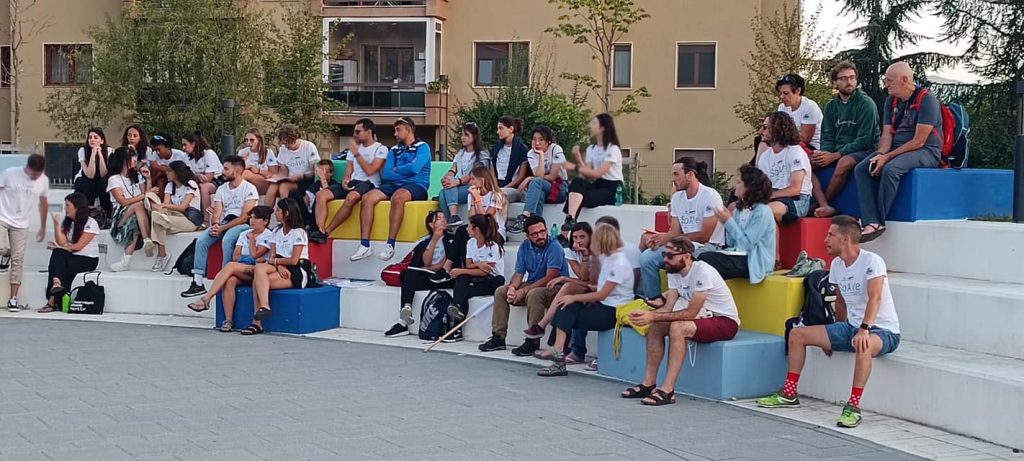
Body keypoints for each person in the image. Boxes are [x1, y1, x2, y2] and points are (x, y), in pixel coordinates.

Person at [756, 215, 901, 428]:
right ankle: (789, 393)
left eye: (830, 235)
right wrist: (835, 333)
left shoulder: (872, 261)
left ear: (845, 239)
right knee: (796, 334)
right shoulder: (836, 265)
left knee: (864, 345)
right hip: (852, 327)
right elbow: (840, 302)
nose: (825, 240)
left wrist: (864, 329)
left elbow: (875, 298)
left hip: (883, 331)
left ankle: (853, 406)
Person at [622, 236, 740, 405]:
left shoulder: (702, 271)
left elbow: (690, 313)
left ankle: (668, 390)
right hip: (703, 317)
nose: (665, 260)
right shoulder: (674, 271)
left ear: (686, 256)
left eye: (670, 256)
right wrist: (645, 315)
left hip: (724, 322)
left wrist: (653, 316)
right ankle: (648, 383)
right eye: (664, 255)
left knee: (678, 327)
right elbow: (668, 308)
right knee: (656, 325)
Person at [854, 62, 944, 242]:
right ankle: (870, 220)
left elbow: (919, 141)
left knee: (891, 169)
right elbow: (887, 134)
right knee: (862, 168)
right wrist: (881, 155)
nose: (886, 84)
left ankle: (878, 221)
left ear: (904, 80)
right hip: (896, 148)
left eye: (889, 80)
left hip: (925, 150)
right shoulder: (891, 100)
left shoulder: (927, 101)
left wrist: (887, 158)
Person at [537, 222, 635, 377]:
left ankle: (558, 355)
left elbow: (602, 294)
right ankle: (558, 352)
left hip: (614, 311)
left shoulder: (618, 263)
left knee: (567, 308)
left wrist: (574, 297)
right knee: (564, 307)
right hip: (603, 304)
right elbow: (593, 286)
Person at [479, 214, 568, 356]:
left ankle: (532, 341)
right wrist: (513, 288)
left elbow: (551, 276)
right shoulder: (524, 247)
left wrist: (524, 290)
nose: (540, 236)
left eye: (542, 231)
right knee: (501, 291)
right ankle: (498, 337)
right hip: (533, 284)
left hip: (555, 287)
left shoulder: (555, 246)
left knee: (534, 294)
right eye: (534, 234)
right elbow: (519, 273)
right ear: (527, 236)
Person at [638, 157, 726, 299]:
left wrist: (673, 240)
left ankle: (677, 301)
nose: (673, 179)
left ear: (690, 175)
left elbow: (704, 236)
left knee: (677, 258)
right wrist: (659, 239)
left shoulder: (710, 196)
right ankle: (653, 300)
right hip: (684, 244)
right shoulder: (677, 198)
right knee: (646, 258)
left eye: (676, 174)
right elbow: (674, 231)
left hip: (709, 246)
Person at [352, 117, 431, 262]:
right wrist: (404, 171)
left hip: (417, 185)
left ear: (408, 130)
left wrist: (397, 169)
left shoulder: (423, 147)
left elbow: (415, 168)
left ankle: (390, 244)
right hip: (394, 184)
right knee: (367, 198)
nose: (395, 134)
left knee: (398, 197)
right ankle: (365, 245)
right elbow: (387, 174)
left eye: (398, 130)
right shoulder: (394, 150)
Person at [180, 155, 259, 298]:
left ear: (237, 171)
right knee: (202, 240)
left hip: (243, 225)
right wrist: (216, 225)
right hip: (225, 223)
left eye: (226, 169)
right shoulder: (222, 189)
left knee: (228, 239)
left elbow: (244, 217)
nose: (223, 172)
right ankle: (197, 282)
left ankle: (224, 278)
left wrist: (223, 228)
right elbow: (217, 212)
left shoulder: (250, 189)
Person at [185, 205, 274, 332]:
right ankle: (228, 320)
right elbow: (236, 256)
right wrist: (249, 258)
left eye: (256, 218)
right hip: (244, 268)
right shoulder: (244, 234)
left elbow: (256, 255)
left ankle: (206, 299)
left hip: (259, 271)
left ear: (265, 221)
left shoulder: (269, 236)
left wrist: (252, 242)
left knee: (230, 266)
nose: (252, 220)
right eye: (251, 217)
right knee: (230, 280)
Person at [811, 61, 881, 218]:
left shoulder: (866, 104)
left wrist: (835, 156)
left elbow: (865, 139)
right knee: (806, 163)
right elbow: (827, 136)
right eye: (843, 78)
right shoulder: (831, 106)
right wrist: (825, 154)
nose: (849, 82)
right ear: (834, 83)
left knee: (844, 163)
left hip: (865, 150)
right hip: (838, 150)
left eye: (852, 77)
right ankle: (818, 204)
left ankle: (821, 205)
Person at [523, 221, 597, 364]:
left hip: (599, 289)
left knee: (568, 290)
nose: (578, 241)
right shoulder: (570, 252)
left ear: (590, 237)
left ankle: (542, 327)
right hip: (585, 287)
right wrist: (583, 255)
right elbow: (582, 278)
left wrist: (586, 256)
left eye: (582, 237)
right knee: (566, 301)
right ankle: (562, 348)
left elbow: (591, 283)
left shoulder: (598, 252)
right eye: (575, 237)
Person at [243, 198, 315, 336]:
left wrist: (277, 262)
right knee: (259, 270)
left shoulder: (299, 232)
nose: (275, 213)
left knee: (257, 282)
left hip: (298, 270)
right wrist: (279, 265)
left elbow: (293, 260)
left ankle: (256, 323)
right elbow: (272, 256)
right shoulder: (276, 232)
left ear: (286, 213)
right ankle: (264, 307)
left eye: (278, 210)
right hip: (280, 266)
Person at [383, 210, 459, 338]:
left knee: (412, 276)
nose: (443, 220)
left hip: (445, 277)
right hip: (429, 276)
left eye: (444, 218)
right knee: (409, 275)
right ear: (431, 224)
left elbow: (445, 264)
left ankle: (403, 320)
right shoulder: (425, 241)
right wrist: (434, 240)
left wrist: (430, 267)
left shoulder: (452, 239)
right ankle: (405, 315)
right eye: (439, 218)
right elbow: (425, 262)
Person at [698, 165, 777, 284]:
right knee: (700, 257)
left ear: (749, 187)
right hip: (738, 255)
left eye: (739, 182)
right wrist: (725, 222)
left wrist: (728, 222)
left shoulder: (762, 211)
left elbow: (747, 244)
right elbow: (732, 243)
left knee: (706, 259)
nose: (736, 186)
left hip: (754, 261)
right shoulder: (739, 210)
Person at [314, 118, 388, 241]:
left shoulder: (381, 148)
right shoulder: (353, 150)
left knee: (351, 197)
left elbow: (370, 170)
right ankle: (319, 230)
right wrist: (345, 180)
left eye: (358, 132)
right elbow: (348, 172)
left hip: (369, 183)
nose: (355, 135)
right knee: (321, 195)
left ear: (369, 132)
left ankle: (327, 232)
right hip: (354, 181)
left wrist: (357, 153)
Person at [445, 214, 506, 342]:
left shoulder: (493, 247)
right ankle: (457, 311)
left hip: (493, 280)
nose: (466, 229)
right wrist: (479, 264)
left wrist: (461, 270)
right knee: (462, 280)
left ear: (476, 229)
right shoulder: (470, 242)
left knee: (463, 290)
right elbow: (469, 264)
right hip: (479, 276)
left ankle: (456, 325)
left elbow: (486, 272)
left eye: (469, 226)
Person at [561, 113, 624, 237]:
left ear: (603, 128)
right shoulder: (591, 149)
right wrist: (578, 157)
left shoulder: (613, 149)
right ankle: (570, 219)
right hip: (598, 184)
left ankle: (564, 234)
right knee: (577, 183)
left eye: (594, 123)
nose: (591, 126)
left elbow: (598, 173)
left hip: (613, 188)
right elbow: (587, 174)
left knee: (577, 198)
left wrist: (574, 167)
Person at [0, 154, 49, 311]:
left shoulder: (43, 181)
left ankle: (13, 299)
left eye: (38, 174)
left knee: (18, 259)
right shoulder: (10, 173)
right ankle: (6, 253)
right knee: (1, 248)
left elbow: (43, 203)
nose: (35, 177)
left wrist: (43, 227)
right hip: (2, 216)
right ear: (27, 168)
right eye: (33, 174)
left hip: (21, 223)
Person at [38, 193, 99, 313]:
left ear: (77, 207)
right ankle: (56, 285)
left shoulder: (91, 223)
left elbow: (78, 247)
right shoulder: (69, 222)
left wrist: (60, 247)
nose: (65, 208)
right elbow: (62, 242)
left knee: (60, 261)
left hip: (88, 259)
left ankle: (52, 300)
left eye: (67, 205)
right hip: (72, 256)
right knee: (58, 256)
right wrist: (56, 225)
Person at [507, 125, 568, 233]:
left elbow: (552, 177)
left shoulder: (556, 149)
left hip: (560, 188)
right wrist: (541, 155)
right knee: (539, 193)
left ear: (548, 141)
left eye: (541, 140)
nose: (537, 143)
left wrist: (530, 178)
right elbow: (539, 175)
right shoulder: (531, 153)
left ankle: (525, 215)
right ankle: (536, 229)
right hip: (544, 188)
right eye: (534, 139)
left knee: (535, 182)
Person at [755, 112, 813, 223]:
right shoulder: (765, 156)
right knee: (735, 207)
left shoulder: (795, 152)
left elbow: (795, 189)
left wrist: (768, 196)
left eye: (765, 127)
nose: (761, 132)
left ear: (778, 129)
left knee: (765, 212)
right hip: (774, 196)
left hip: (797, 200)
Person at [146, 161, 203, 272]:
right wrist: (159, 207)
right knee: (156, 214)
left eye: (169, 171)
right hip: (173, 215)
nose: (167, 173)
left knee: (157, 218)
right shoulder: (170, 185)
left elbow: (183, 207)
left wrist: (163, 206)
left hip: (189, 219)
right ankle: (162, 254)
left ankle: (161, 254)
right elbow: (166, 203)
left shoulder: (191, 184)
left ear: (177, 172)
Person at [106, 147, 153, 272]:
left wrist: (148, 179)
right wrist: (145, 195)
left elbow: (146, 196)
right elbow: (123, 202)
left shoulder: (137, 176)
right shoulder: (114, 179)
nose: (135, 159)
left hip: (137, 216)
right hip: (120, 217)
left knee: (134, 222)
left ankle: (125, 260)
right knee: (137, 205)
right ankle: (147, 239)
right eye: (132, 157)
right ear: (123, 160)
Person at [440, 122, 490, 227]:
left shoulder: (482, 154)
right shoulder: (460, 153)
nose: (463, 138)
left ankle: (453, 216)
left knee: (448, 188)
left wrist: (457, 182)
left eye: (466, 135)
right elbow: (453, 169)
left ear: (474, 137)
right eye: (462, 135)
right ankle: (451, 221)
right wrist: (447, 177)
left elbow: (474, 173)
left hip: (474, 186)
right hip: (459, 186)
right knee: (443, 192)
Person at [267, 124, 320, 222]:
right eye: (284, 143)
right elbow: (284, 172)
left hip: (306, 179)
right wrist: (275, 177)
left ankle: (285, 217)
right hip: (291, 179)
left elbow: (314, 172)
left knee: (284, 187)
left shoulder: (308, 147)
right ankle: (265, 216)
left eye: (288, 143)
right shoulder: (283, 149)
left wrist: (301, 176)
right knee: (273, 186)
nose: (286, 146)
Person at [181, 132, 223, 222]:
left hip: (217, 181)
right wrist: (197, 176)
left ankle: (206, 219)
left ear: (193, 144)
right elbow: (187, 174)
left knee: (204, 187)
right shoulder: (186, 157)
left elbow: (208, 178)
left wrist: (195, 176)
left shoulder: (208, 154)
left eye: (185, 145)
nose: (183, 148)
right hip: (197, 181)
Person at [72, 127, 113, 217]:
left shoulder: (108, 150)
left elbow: (103, 173)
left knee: (103, 183)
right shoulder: (82, 150)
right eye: (90, 137)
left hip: (99, 179)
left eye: (95, 137)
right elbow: (89, 175)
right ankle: (86, 213)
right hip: (84, 178)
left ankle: (106, 214)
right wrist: (93, 154)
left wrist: (100, 154)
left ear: (102, 141)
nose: (92, 140)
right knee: (90, 183)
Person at [776, 73, 824, 150]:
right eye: (780, 93)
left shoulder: (810, 107)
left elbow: (805, 139)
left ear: (798, 91)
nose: (781, 96)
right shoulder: (782, 107)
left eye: (786, 93)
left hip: (811, 147)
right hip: (789, 143)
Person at [491, 116, 530, 202]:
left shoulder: (522, 149)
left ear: (511, 129)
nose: (498, 132)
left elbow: (520, 177)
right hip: (497, 185)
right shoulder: (496, 148)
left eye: (501, 128)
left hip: (513, 187)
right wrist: (495, 186)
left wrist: (506, 187)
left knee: (500, 196)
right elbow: (492, 170)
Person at [303, 160, 338, 242]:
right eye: (320, 171)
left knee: (319, 197)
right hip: (311, 219)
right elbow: (305, 202)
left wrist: (323, 179)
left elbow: (328, 193)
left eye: (324, 171)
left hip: (327, 217)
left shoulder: (335, 185)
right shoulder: (314, 185)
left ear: (331, 173)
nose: (321, 174)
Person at [238, 128, 279, 196]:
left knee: (246, 173)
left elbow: (274, 174)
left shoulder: (267, 152)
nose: (248, 142)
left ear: (259, 140)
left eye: (252, 140)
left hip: (264, 182)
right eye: (246, 140)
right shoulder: (242, 152)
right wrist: (242, 162)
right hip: (247, 183)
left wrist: (259, 170)